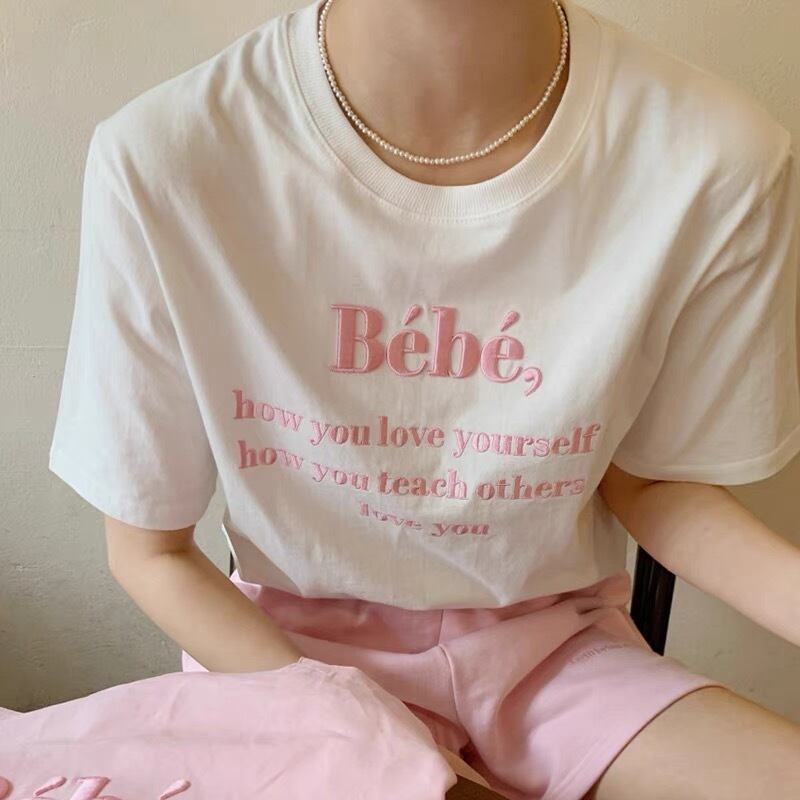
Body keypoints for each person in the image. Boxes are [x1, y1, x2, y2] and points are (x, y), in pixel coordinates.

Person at [48, 0, 800, 797]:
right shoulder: (170, 156)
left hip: (557, 655)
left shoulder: (714, 158)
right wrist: (387, 749)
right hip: (282, 660)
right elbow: (150, 552)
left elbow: (652, 483)